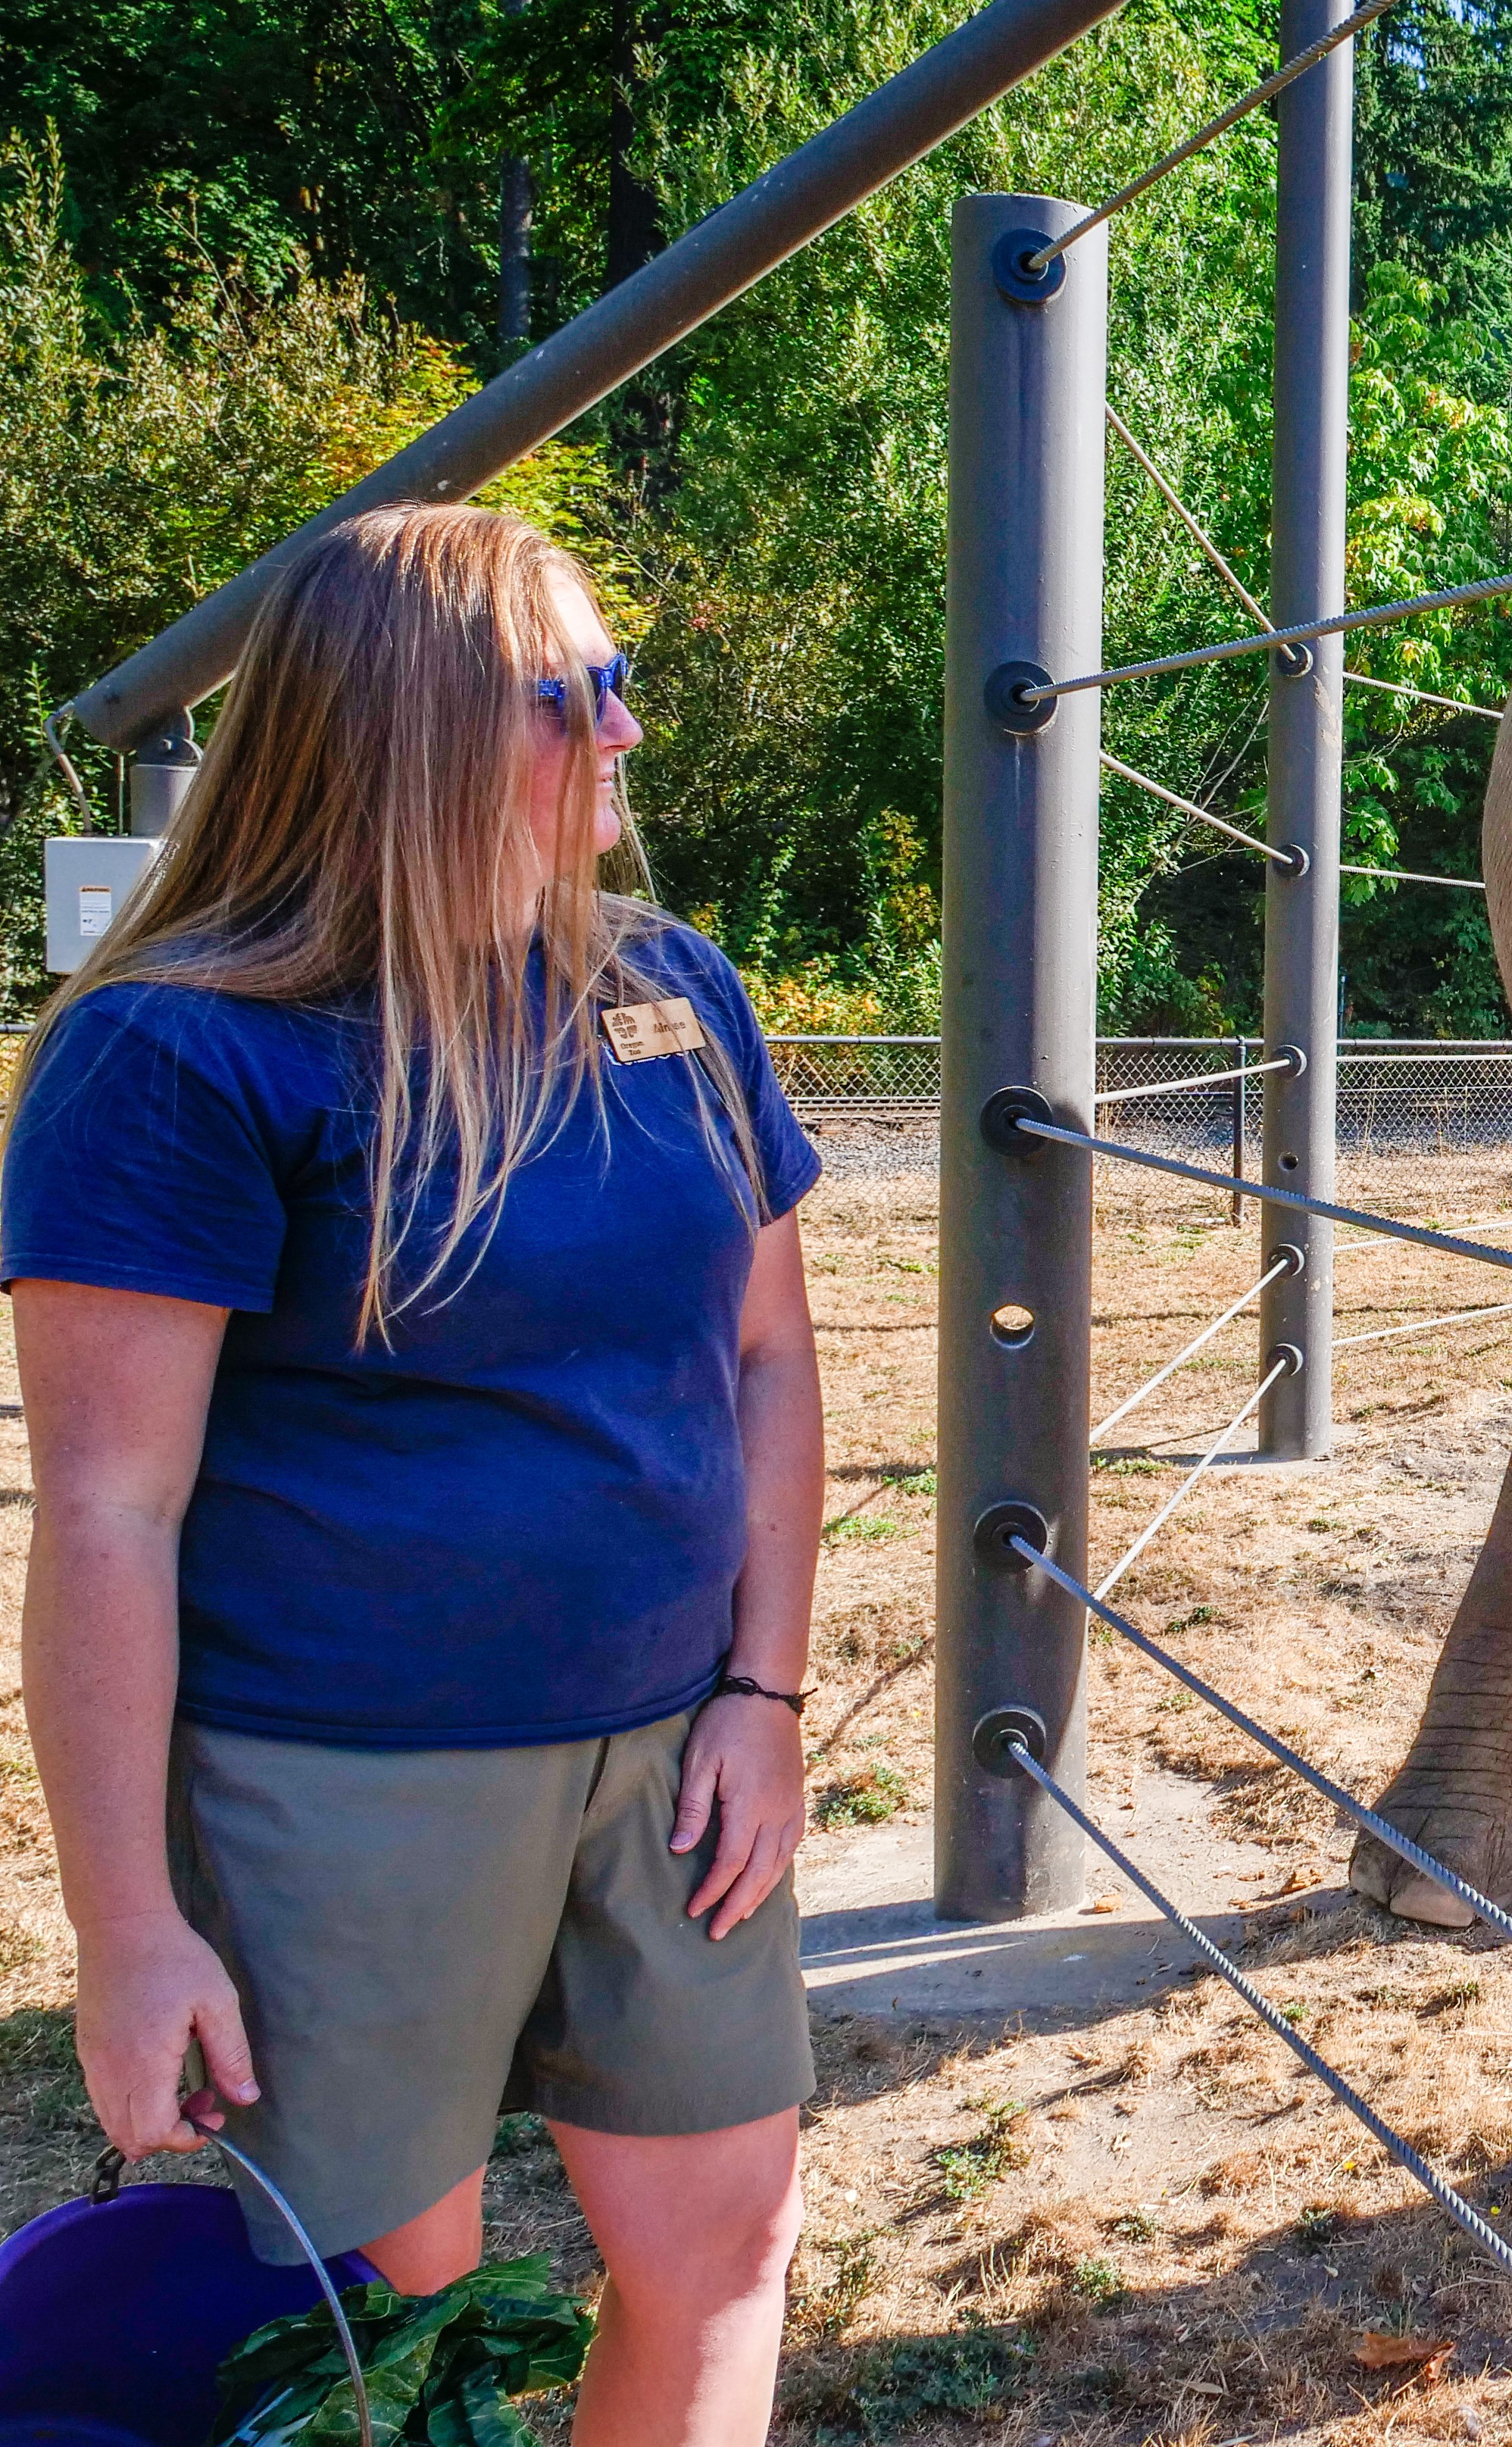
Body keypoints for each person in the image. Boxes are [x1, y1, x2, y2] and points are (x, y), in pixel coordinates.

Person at [7, 505, 823, 2444]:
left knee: (725, 2245)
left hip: (677, 1761)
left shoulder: (677, 991)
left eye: (624, 684)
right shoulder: (184, 1054)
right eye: (578, 696)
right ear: (413, 729)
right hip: (342, 1783)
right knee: (385, 2328)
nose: (626, 732)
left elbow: (774, 1355)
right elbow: (106, 1515)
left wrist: (769, 1694)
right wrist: (128, 1932)